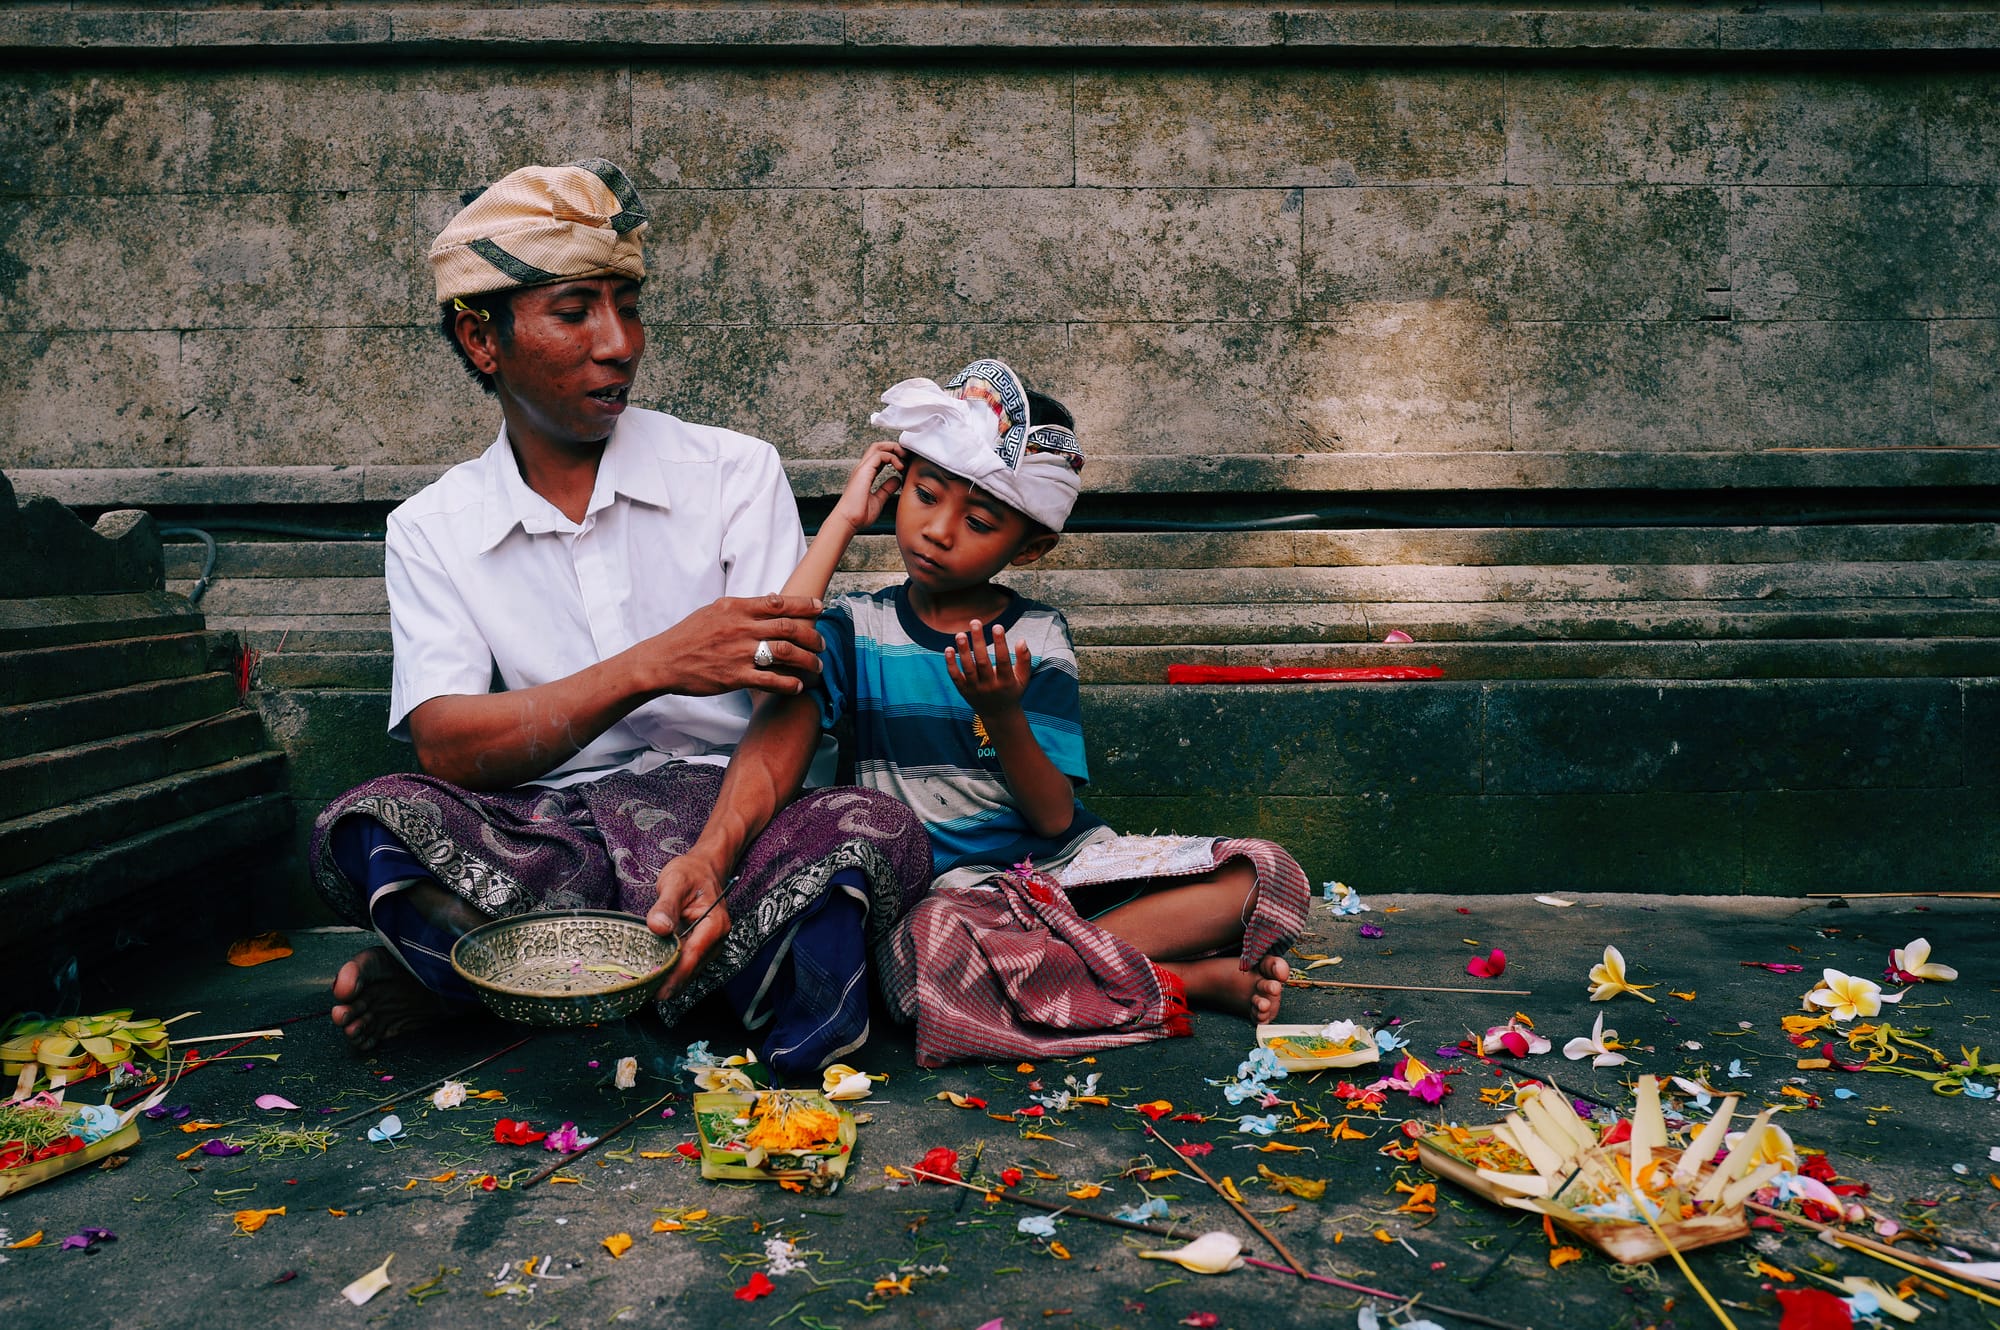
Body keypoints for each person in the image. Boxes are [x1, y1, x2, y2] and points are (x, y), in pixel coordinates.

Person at [309, 159, 932, 1076]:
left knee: (871, 834)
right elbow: (445, 747)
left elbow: (789, 703)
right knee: (369, 821)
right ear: (482, 340)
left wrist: (716, 857)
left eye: (628, 306)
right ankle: (678, 987)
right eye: (575, 312)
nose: (619, 344)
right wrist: (656, 663)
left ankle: (486, 987)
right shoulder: (432, 527)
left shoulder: (732, 471)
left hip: (735, 825)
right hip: (553, 842)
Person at [656, 358, 1310, 1067]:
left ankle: (1071, 965)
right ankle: (1178, 977)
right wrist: (842, 521)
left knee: (1263, 872)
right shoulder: (859, 626)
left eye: (978, 521)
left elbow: (1056, 819)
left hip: (1053, 878)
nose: (937, 530)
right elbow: (772, 672)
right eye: (924, 494)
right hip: (938, 901)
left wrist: (1001, 713)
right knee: (923, 962)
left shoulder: (1036, 638)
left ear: (1028, 546)